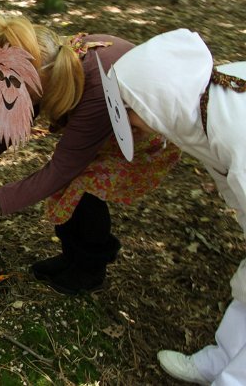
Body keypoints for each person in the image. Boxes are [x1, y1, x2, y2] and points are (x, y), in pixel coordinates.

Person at [0, 13, 180, 295]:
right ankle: (72, 257)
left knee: (83, 189)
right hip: (104, 122)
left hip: (138, 133)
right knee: (70, 188)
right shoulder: (43, 66)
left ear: (40, 75)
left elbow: (62, 169)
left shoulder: (92, 84)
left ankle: (90, 268)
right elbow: (7, 128)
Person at [98, 28, 245, 385]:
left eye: (130, 109)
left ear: (158, 100)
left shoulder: (233, 129)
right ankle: (221, 359)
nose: (128, 120)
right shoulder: (200, 104)